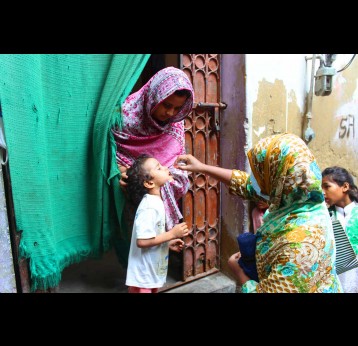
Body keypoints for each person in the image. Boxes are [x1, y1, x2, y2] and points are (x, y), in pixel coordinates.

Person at [175, 132, 343, 293]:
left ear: (279, 177)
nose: (256, 180)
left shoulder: (300, 246)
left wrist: (239, 273)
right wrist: (202, 167)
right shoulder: (300, 196)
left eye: (262, 173)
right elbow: (247, 185)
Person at [112, 67, 194, 246]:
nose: (171, 113)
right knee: (135, 243)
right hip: (131, 192)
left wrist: (162, 176)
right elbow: (111, 150)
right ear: (154, 97)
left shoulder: (175, 124)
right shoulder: (124, 117)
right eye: (167, 105)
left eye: (178, 108)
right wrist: (122, 169)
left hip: (157, 190)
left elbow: (175, 161)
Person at [124, 154, 189, 293]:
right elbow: (142, 241)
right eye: (159, 168)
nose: (165, 168)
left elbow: (152, 235)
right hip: (144, 276)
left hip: (151, 271)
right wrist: (171, 234)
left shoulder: (155, 201)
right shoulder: (149, 207)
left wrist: (166, 243)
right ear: (149, 183)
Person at [322, 166, 358, 293]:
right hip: (333, 281)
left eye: (327, 186)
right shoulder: (324, 216)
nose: (323, 192)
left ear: (345, 187)